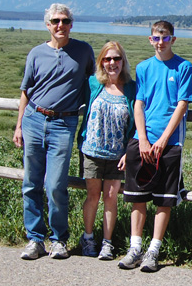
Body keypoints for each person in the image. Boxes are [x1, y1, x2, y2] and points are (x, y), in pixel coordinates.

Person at [13, 3, 95, 260]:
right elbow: (26, 92)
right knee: (31, 183)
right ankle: (35, 239)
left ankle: (59, 239)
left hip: (64, 123)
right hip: (34, 119)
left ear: (72, 24)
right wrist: (19, 126)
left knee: (56, 183)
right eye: (56, 21)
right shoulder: (36, 53)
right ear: (47, 25)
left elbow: (95, 81)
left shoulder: (83, 51)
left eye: (66, 21)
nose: (61, 25)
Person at [118, 20, 192, 272]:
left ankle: (154, 250)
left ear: (173, 39)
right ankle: (135, 248)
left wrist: (163, 139)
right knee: (137, 197)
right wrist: (142, 138)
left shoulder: (184, 67)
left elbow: (182, 105)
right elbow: (139, 104)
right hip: (143, 142)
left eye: (164, 38)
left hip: (170, 143)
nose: (160, 42)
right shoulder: (143, 68)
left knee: (164, 199)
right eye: (155, 38)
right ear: (150, 40)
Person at [78, 41, 136, 260]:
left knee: (111, 198)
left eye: (117, 59)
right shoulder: (93, 83)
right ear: (101, 62)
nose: (112, 63)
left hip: (117, 155)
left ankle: (108, 243)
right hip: (92, 151)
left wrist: (128, 152)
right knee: (92, 196)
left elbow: (136, 121)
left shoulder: (131, 87)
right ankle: (88, 237)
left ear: (123, 61)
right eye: (108, 59)